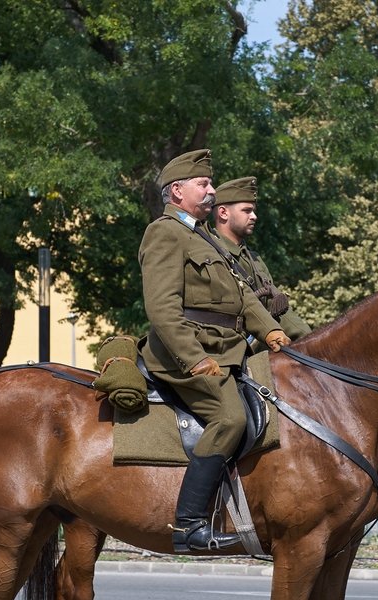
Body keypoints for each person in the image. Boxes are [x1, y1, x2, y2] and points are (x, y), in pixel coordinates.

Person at [138, 149, 291, 552]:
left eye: (210, 183)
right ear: (177, 191)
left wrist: (273, 333)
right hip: (183, 357)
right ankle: (188, 525)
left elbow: (243, 298)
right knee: (230, 417)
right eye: (203, 184)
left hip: (227, 352)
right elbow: (162, 310)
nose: (211, 190)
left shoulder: (203, 236)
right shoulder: (164, 232)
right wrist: (195, 358)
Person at [211, 176, 311, 343]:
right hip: (224, 346)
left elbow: (278, 308)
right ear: (223, 213)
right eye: (247, 211)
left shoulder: (253, 259)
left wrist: (310, 339)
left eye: (254, 211)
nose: (254, 216)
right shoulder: (210, 253)